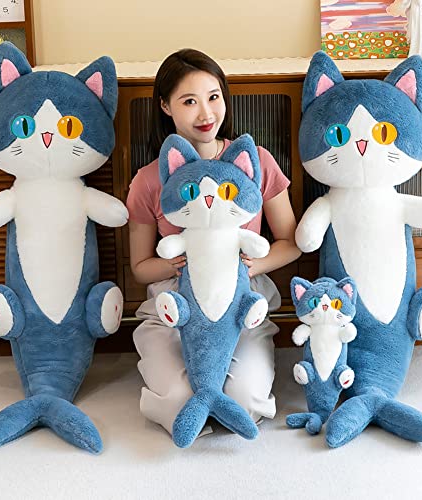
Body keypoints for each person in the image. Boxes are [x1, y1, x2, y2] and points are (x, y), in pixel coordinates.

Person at [126, 48, 301, 436]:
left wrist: (250, 265)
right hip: (175, 304)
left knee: (245, 401)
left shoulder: (256, 162)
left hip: (241, 301)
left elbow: (291, 241)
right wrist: (177, 264)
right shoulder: (150, 180)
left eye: (213, 97)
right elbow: (139, 268)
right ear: (165, 106)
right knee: (179, 401)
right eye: (189, 101)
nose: (205, 113)